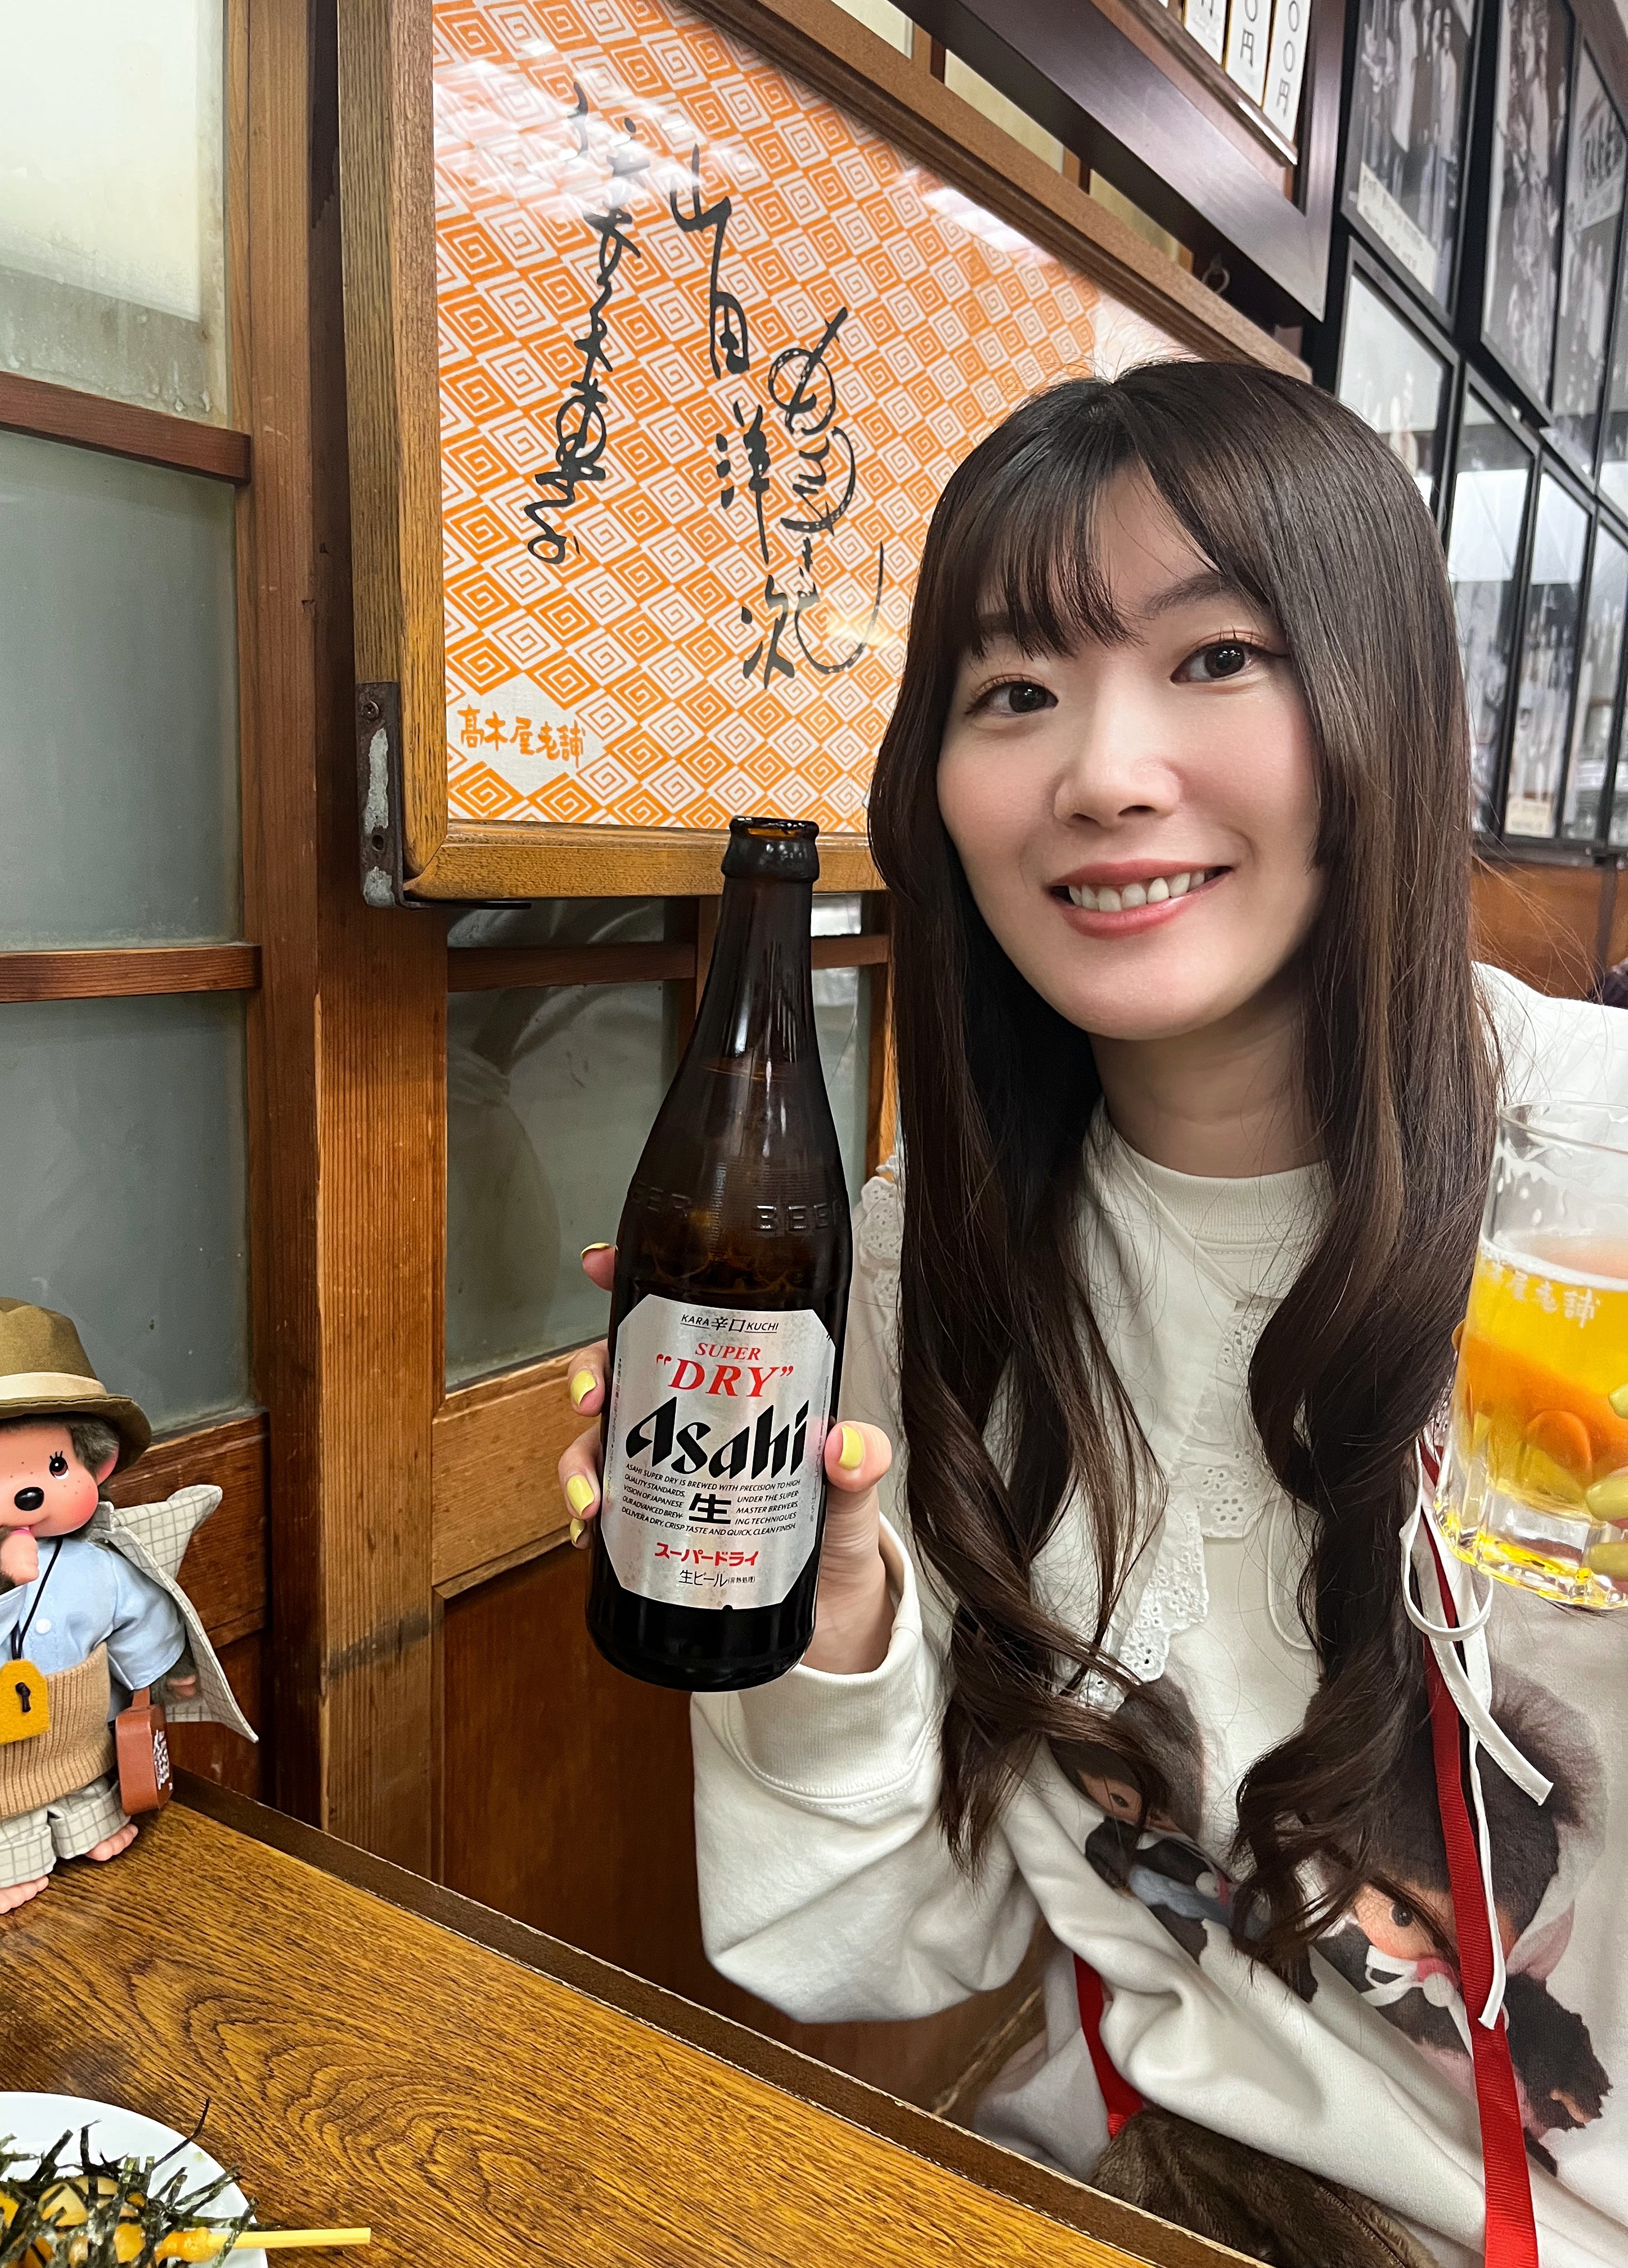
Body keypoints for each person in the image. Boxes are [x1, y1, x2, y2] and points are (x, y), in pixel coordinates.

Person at [559, 363, 1628, 2267]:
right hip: (1178, 2188)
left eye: (1217, 659)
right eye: (1014, 691)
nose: (1106, 775)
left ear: (1385, 706)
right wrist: (837, 1629)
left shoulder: (1595, 1186)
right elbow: (885, 1944)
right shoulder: (928, 1266)